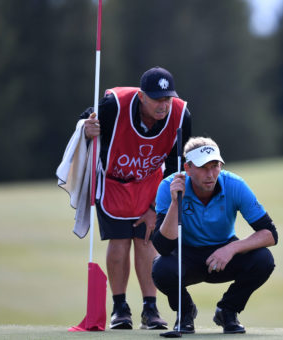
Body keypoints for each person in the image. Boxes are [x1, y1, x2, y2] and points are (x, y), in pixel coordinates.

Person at [81, 66, 191, 330]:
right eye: (156, 99)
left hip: (151, 183)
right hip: (113, 182)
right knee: (118, 242)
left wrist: (156, 208)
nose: (163, 105)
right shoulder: (113, 105)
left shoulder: (181, 115)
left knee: (145, 241)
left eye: (167, 98)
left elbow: (177, 165)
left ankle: (150, 309)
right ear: (142, 96)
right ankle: (120, 309)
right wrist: (87, 130)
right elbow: (85, 121)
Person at [152, 136, 278, 334]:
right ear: (188, 167)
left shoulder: (234, 185)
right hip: (186, 256)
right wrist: (176, 203)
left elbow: (270, 234)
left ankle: (228, 311)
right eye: (203, 168)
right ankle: (185, 314)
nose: (210, 174)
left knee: (263, 260)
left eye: (215, 166)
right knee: (161, 269)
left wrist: (231, 248)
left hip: (224, 254)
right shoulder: (170, 187)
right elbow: (163, 247)